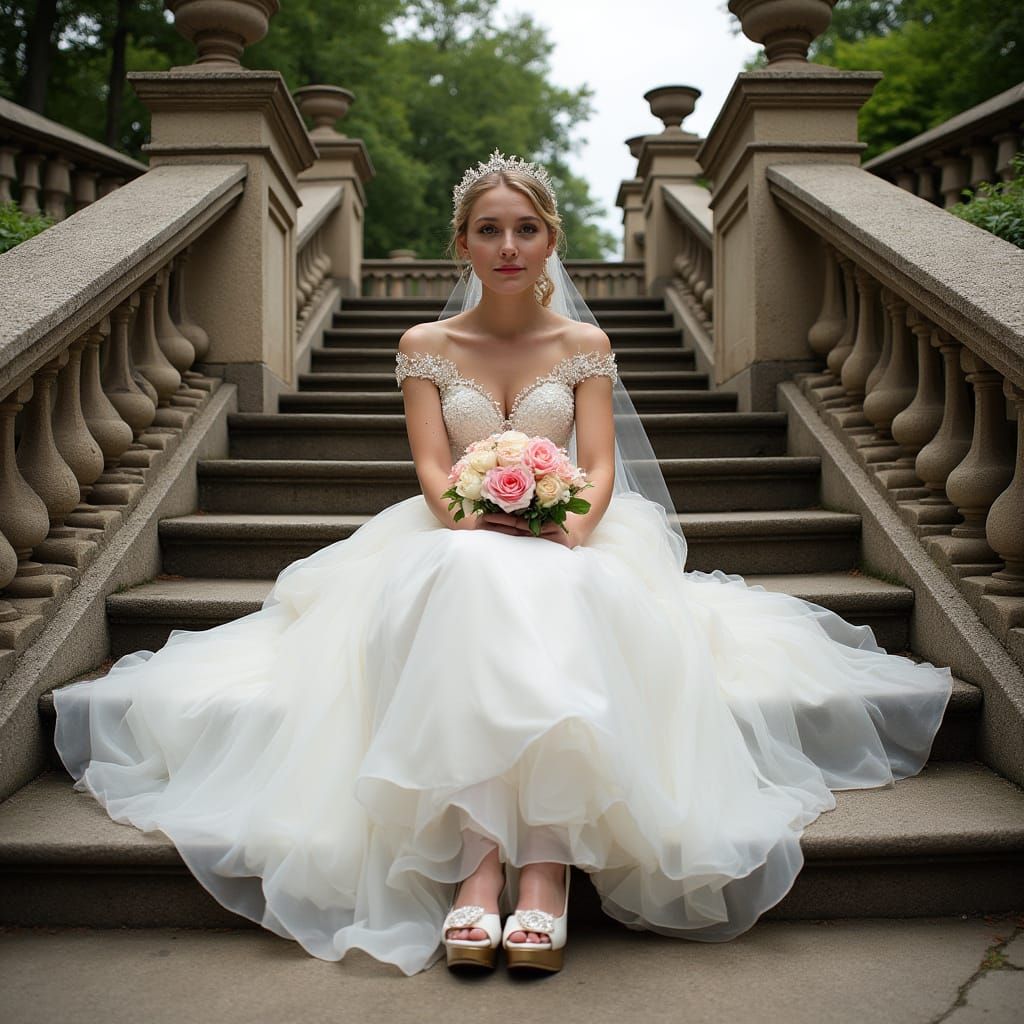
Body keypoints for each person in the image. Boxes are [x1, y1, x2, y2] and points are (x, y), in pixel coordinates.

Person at [53, 151, 954, 979]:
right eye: (489, 229)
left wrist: (567, 521)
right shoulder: (425, 347)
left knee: (559, 585)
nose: (508, 245)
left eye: (525, 228)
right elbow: (433, 468)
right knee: (469, 577)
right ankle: (478, 870)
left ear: (551, 239)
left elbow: (598, 464)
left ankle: (547, 874)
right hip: (455, 529)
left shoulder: (585, 348)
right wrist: (479, 515)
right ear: (463, 243)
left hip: (573, 531)